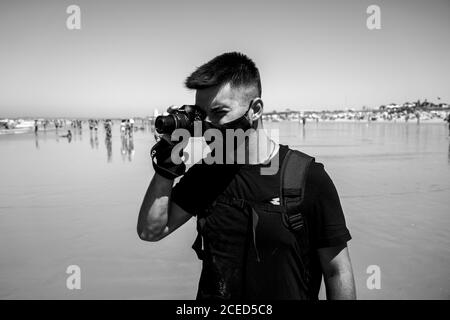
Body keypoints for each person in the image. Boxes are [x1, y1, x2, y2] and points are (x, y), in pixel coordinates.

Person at [137, 52, 356, 300]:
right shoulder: (207, 173)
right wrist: (167, 164)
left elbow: (337, 271)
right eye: (201, 115)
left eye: (219, 112)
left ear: (255, 110)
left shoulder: (306, 177)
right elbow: (150, 231)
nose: (208, 125)